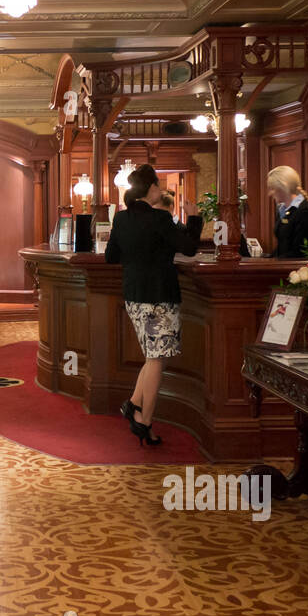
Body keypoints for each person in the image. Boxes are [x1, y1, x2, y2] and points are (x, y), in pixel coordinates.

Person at [105, 164, 202, 447]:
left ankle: (135, 405)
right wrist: (195, 218)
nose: (161, 189)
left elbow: (111, 256)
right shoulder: (160, 219)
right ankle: (144, 421)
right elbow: (189, 248)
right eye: (157, 185)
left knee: (152, 355)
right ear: (150, 190)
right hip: (159, 296)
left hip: (134, 294)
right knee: (157, 359)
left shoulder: (121, 219)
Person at [267, 165, 308, 258]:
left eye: (273, 188)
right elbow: (282, 246)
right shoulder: (283, 210)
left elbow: (299, 252)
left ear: (283, 187)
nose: (270, 193)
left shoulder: (304, 212)